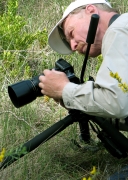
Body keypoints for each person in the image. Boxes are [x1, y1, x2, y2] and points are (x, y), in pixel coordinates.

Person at [38, 0, 128, 179]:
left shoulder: (118, 29)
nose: (72, 46)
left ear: (91, 10)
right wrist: (79, 99)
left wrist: (66, 90)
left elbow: (116, 102)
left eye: (71, 33)